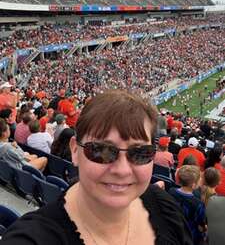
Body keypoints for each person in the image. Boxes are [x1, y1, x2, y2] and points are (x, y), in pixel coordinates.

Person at [1, 90, 192, 245]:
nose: (122, 170)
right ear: (75, 150)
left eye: (140, 153)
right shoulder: (32, 238)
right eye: (101, 150)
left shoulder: (164, 207)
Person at [169, 165, 207, 245]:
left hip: (173, 227)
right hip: (189, 234)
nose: (201, 180)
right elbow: (201, 223)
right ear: (193, 185)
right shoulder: (198, 204)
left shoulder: (171, 191)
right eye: (199, 179)